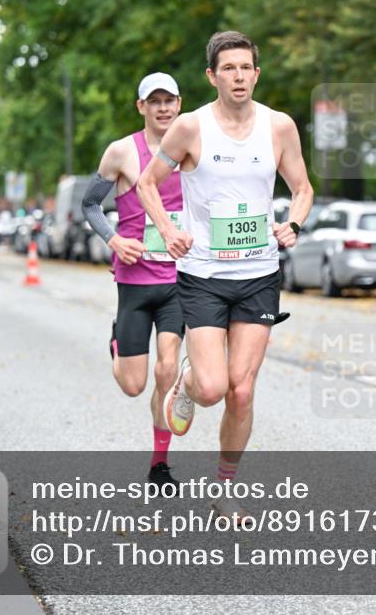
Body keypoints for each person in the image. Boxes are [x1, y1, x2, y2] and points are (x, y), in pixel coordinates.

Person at [138, 31, 313, 520]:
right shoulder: (191, 128)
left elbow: (302, 188)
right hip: (204, 275)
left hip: (259, 273)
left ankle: (225, 486)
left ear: (257, 73)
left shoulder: (278, 127)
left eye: (246, 68)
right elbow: (148, 183)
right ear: (212, 76)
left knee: (241, 389)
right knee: (213, 388)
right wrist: (170, 229)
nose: (238, 76)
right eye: (228, 69)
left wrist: (292, 224)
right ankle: (189, 383)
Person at [82, 72, 185, 490]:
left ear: (179, 104)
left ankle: (159, 465)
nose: (163, 108)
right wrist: (114, 238)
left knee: (167, 369)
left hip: (179, 280)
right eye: (154, 101)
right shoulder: (122, 152)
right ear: (141, 106)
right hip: (135, 282)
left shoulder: (193, 149)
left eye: (170, 100)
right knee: (133, 384)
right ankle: (116, 342)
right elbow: (90, 204)